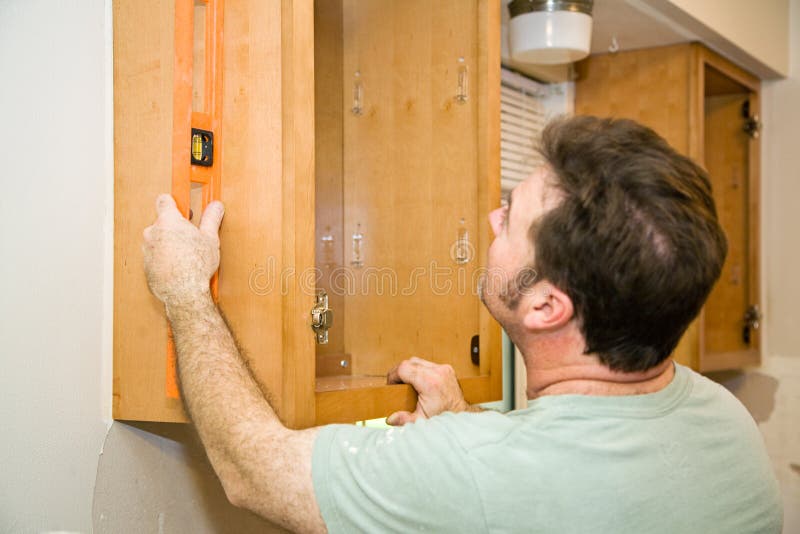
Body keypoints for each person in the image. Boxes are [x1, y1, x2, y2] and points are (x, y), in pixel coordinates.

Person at [142, 116, 783, 533]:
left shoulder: (478, 473)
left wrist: (185, 293)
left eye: (511, 213)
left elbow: (253, 472)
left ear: (545, 307)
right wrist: (466, 429)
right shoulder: (726, 422)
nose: (492, 219)